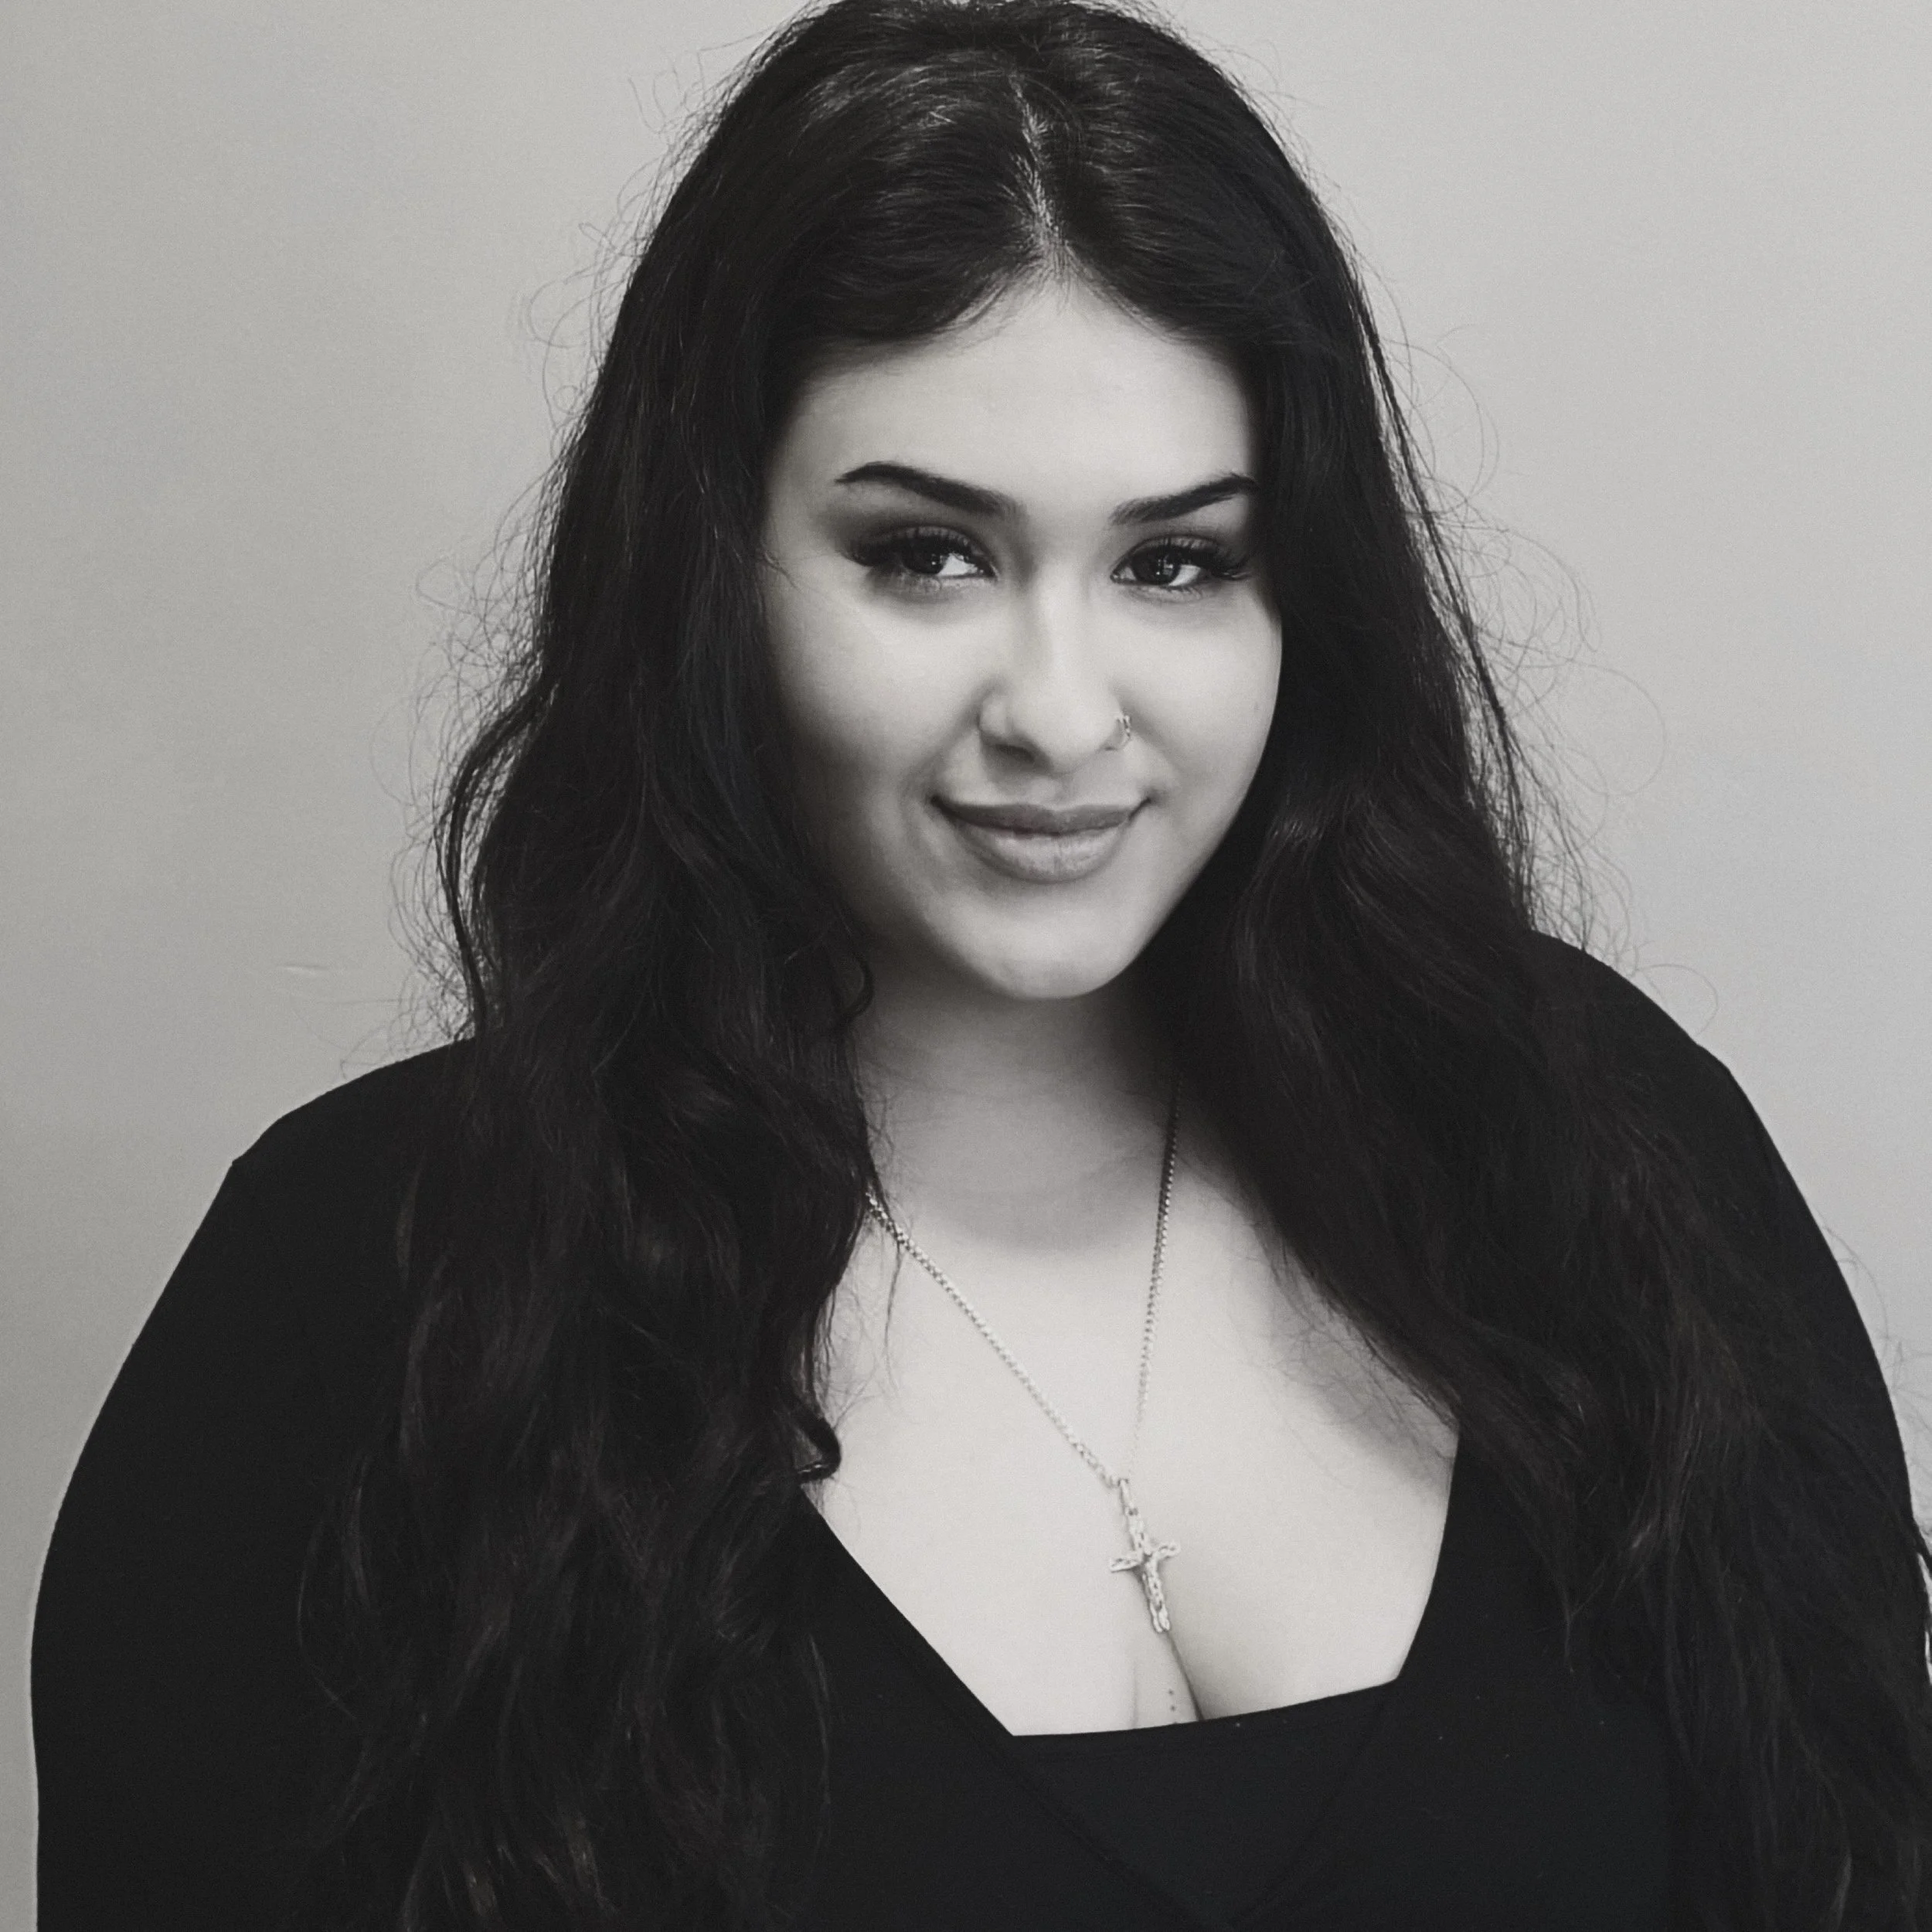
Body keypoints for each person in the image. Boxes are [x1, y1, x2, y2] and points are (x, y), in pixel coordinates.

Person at [32, 0, 1932, 1926]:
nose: (1059, 710)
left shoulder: (1599, 1144)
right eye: (927, 554)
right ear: (710, 568)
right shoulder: (362, 1285)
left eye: (1173, 562)